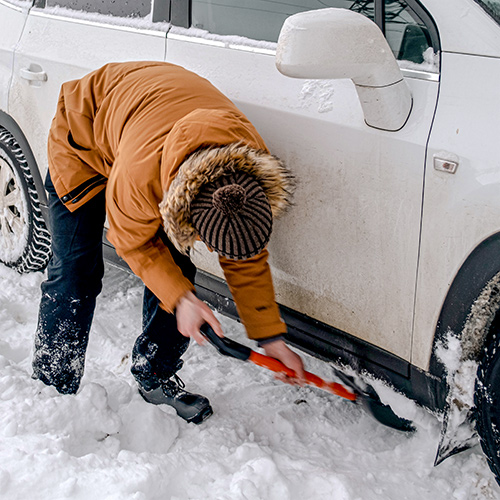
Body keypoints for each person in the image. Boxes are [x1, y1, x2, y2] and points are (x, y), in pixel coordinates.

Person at [32, 61, 305, 424]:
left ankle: (154, 373)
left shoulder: (248, 167)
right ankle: (54, 382)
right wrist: (179, 299)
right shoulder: (140, 176)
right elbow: (132, 243)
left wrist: (271, 338)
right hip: (83, 134)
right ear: (185, 211)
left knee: (177, 268)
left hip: (147, 126)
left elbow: (244, 253)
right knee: (76, 268)